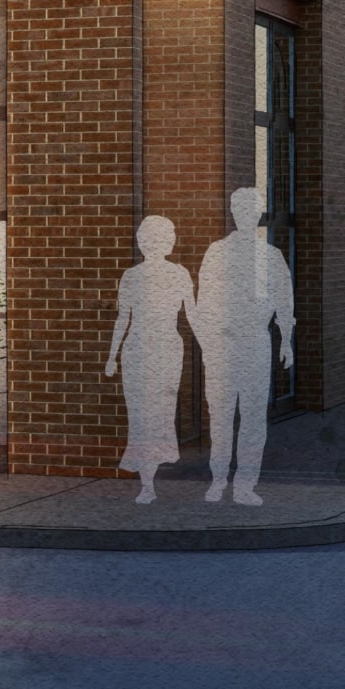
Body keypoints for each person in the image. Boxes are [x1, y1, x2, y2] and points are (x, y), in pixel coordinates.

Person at [194, 186, 297, 505]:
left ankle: (245, 484)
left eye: (253, 210)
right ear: (234, 213)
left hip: (255, 340)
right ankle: (218, 479)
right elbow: (203, 303)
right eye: (241, 210)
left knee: (253, 416)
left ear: (258, 214)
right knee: (221, 414)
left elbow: (284, 300)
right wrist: (208, 345)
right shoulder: (217, 252)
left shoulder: (270, 256)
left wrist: (286, 342)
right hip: (223, 343)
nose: (247, 216)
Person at [105, 215, 194, 503]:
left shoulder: (180, 274)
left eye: (162, 238)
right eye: (150, 239)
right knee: (141, 415)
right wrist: (112, 356)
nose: (156, 244)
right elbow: (123, 318)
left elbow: (192, 315)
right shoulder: (131, 276)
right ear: (143, 243)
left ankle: (152, 471)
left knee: (161, 412)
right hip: (137, 350)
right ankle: (147, 484)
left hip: (168, 348)